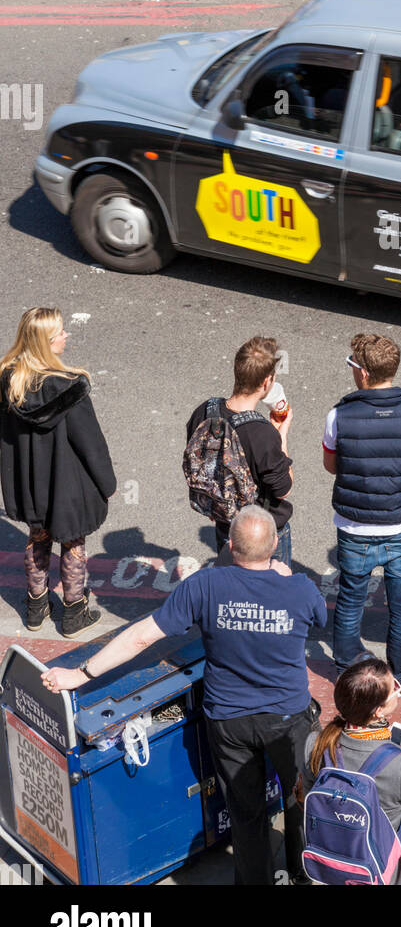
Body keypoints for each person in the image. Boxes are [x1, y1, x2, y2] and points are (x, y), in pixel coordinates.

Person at [44, 507, 326, 885]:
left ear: (230, 545)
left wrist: (79, 675)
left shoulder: (205, 586)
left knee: (246, 815)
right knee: (301, 797)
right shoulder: (300, 589)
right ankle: (303, 872)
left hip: (230, 721)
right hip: (289, 718)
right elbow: (321, 620)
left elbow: (142, 636)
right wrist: (286, 578)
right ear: (275, 545)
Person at [323, 333, 401, 695]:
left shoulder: (339, 414)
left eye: (351, 365)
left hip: (355, 527)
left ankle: (346, 666)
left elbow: (332, 466)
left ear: (363, 373)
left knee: (350, 600)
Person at [0, 307, 115, 637]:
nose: (66, 336)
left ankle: (36, 609)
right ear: (45, 344)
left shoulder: (9, 380)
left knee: (38, 536)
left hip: (28, 480)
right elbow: (90, 443)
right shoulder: (70, 388)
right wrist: (107, 483)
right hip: (65, 482)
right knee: (72, 540)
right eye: (60, 333)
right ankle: (73, 614)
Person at [308, 657, 401, 884]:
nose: (398, 689)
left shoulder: (316, 743)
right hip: (386, 870)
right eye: (394, 688)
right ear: (379, 711)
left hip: (337, 860)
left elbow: (307, 796)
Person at [186, 336, 294, 564]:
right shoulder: (263, 434)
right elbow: (283, 489)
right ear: (267, 382)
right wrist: (281, 434)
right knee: (272, 594)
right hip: (262, 529)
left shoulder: (205, 411)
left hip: (227, 523)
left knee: (232, 587)